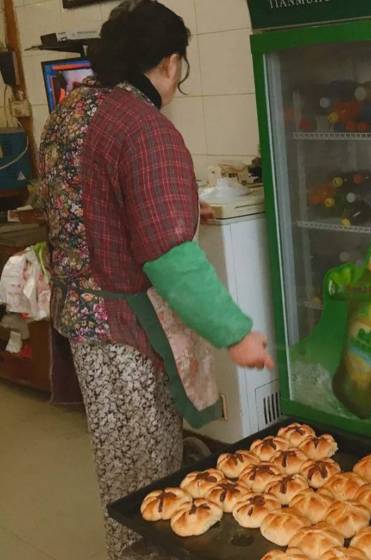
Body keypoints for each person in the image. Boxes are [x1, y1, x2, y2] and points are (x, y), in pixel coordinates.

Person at [38, 1, 273, 558]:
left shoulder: (72, 112)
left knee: (117, 456)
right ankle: (148, 551)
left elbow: (102, 203)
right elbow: (169, 256)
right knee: (148, 465)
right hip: (125, 328)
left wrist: (188, 207)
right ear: (169, 62)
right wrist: (235, 332)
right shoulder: (146, 129)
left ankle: (128, 547)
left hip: (82, 319)